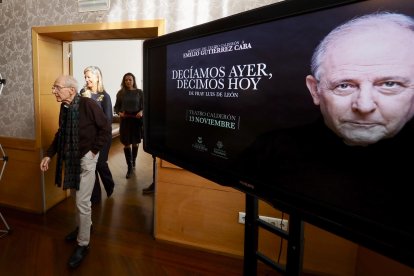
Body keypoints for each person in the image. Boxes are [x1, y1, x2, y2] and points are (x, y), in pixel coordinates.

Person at [237, 12, 414, 235]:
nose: (364, 105)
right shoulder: (269, 150)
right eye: (344, 85)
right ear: (315, 90)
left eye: (390, 83)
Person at [40, 75, 111, 268]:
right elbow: (61, 133)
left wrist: (93, 152)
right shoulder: (64, 107)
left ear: (71, 90)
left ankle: (83, 244)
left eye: (57, 87)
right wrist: (49, 154)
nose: (53, 91)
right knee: (76, 197)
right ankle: (84, 227)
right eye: (53, 87)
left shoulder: (88, 105)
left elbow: (105, 129)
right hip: (70, 159)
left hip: (86, 159)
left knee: (82, 202)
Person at [80, 66, 115, 202]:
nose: (87, 79)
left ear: (97, 77)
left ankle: (109, 184)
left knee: (100, 163)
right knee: (90, 166)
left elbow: (108, 120)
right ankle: (95, 196)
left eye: (89, 76)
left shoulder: (105, 97)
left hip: (102, 137)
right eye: (85, 77)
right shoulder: (82, 93)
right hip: (88, 137)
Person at [114, 72, 145, 180]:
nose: (128, 81)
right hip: (125, 121)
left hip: (136, 121)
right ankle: (129, 168)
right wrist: (119, 113)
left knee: (135, 143)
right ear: (124, 81)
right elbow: (116, 107)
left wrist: (141, 111)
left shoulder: (139, 92)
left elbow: (145, 105)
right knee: (126, 143)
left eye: (130, 80)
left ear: (133, 81)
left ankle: (133, 161)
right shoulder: (120, 93)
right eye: (126, 80)